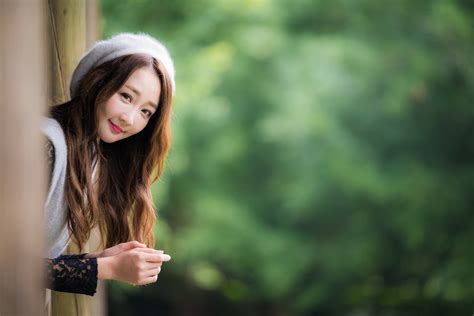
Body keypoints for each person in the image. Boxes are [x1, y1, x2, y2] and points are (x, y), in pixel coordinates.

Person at [42, 33, 175, 296]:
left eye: (146, 112)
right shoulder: (44, 144)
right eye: (126, 96)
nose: (129, 118)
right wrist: (106, 268)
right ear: (97, 82)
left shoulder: (88, 157)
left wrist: (97, 261)